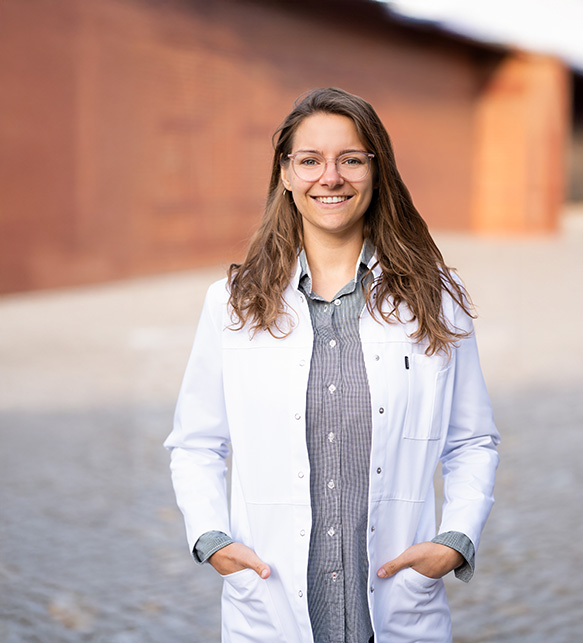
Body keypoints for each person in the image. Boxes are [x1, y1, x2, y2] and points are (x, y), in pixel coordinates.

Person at [164, 87, 499, 643]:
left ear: (377, 170)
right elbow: (197, 442)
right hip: (269, 606)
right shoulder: (232, 304)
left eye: (351, 160)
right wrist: (211, 539)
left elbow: (472, 441)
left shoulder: (436, 298)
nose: (331, 178)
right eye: (310, 160)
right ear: (286, 174)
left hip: (395, 607)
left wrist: (455, 539)